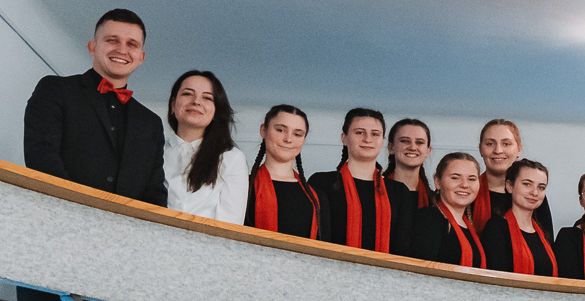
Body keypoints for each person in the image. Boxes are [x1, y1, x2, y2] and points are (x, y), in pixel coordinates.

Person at [22, 9, 168, 204]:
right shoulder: (55, 90)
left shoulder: (151, 123)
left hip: (122, 224)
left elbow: (154, 192)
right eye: (112, 40)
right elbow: (42, 158)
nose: (122, 50)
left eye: (131, 44)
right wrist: (78, 210)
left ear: (141, 57)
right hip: (57, 214)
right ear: (92, 47)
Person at [309, 108, 414, 253]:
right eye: (359, 132)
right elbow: (317, 238)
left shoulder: (399, 192)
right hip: (329, 266)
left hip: (384, 268)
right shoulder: (322, 183)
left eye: (375, 134)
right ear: (344, 138)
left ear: (382, 141)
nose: (368, 139)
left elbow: (402, 249)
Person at [162, 70, 247, 222]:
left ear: (216, 111)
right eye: (187, 94)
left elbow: (231, 224)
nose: (196, 101)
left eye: (207, 97)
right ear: (173, 105)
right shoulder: (154, 151)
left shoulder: (231, 158)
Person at [244, 104, 321, 240]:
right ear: (263, 130)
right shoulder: (243, 186)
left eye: (297, 134)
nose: (288, 139)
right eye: (280, 130)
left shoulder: (314, 196)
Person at [473, 119, 554, 235]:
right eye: (490, 144)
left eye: (506, 144)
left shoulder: (533, 196)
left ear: (519, 149)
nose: (498, 150)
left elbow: (547, 240)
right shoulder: (467, 192)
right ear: (480, 149)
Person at [482, 159, 557, 276]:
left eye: (541, 187)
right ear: (510, 186)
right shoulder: (496, 228)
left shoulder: (543, 233)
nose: (535, 192)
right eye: (527, 184)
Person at [410, 152, 486, 266]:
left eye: (471, 179)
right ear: (437, 181)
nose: (465, 185)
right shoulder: (428, 219)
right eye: (455, 178)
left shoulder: (469, 224)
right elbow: (423, 271)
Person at [383, 118, 434, 208]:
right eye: (405, 141)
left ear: (428, 151)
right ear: (391, 147)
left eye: (419, 142)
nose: (413, 147)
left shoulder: (435, 201)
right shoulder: (375, 192)